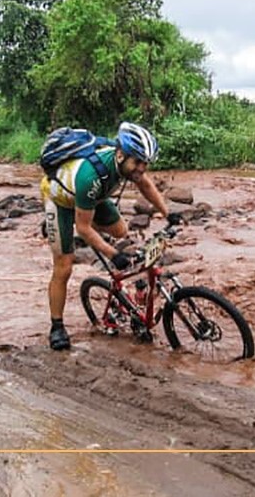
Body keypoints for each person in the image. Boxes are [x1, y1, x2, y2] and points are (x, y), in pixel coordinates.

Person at [40, 121, 180, 350]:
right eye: (138, 162)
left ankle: (84, 213)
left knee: (121, 230)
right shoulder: (91, 177)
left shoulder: (126, 165)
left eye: (145, 163)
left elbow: (146, 185)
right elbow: (84, 229)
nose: (142, 168)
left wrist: (168, 214)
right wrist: (113, 254)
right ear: (120, 155)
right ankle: (56, 326)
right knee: (64, 266)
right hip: (60, 200)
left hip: (92, 196)